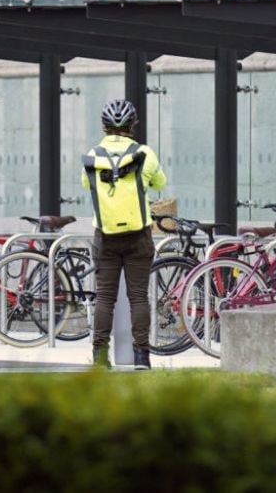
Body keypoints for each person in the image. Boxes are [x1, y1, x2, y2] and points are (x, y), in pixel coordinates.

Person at [81, 99, 166, 370]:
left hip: (104, 235)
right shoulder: (145, 154)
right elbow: (160, 183)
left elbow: (87, 185)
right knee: (138, 296)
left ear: (104, 126)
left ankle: (99, 357)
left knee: (105, 297)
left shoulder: (93, 156)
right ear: (132, 125)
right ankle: (142, 356)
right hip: (139, 235)